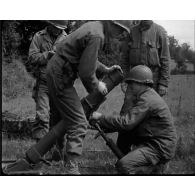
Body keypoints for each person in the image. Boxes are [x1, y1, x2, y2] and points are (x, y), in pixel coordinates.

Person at [4, 20, 130, 175]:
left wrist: (105, 68)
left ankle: (45, 155)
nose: (120, 34)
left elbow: (85, 57)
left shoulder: (93, 27)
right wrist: (97, 85)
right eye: (121, 30)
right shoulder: (97, 35)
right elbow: (85, 72)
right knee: (79, 122)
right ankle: (71, 168)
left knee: (63, 120)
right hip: (60, 76)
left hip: (57, 73)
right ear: (113, 24)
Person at [90, 65, 177, 175]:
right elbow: (127, 122)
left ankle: (154, 170)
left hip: (159, 147)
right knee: (124, 134)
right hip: (150, 139)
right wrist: (104, 126)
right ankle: (134, 162)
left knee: (124, 165)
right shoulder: (144, 95)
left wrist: (100, 117)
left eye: (132, 83)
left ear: (142, 84)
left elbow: (127, 123)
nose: (129, 86)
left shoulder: (147, 100)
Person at [118, 20, 171, 154]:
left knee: (149, 117)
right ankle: (122, 152)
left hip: (152, 82)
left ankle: (146, 151)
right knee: (126, 113)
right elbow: (124, 58)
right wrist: (124, 79)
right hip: (133, 81)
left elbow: (165, 59)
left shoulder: (160, 32)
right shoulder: (131, 32)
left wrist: (163, 83)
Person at [26, 20, 68, 142]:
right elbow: (32, 58)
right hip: (43, 83)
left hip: (59, 85)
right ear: (50, 24)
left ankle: (58, 150)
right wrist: (46, 55)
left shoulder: (68, 38)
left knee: (59, 118)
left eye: (61, 28)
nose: (58, 30)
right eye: (56, 27)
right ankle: (39, 152)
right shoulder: (38, 36)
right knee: (42, 117)